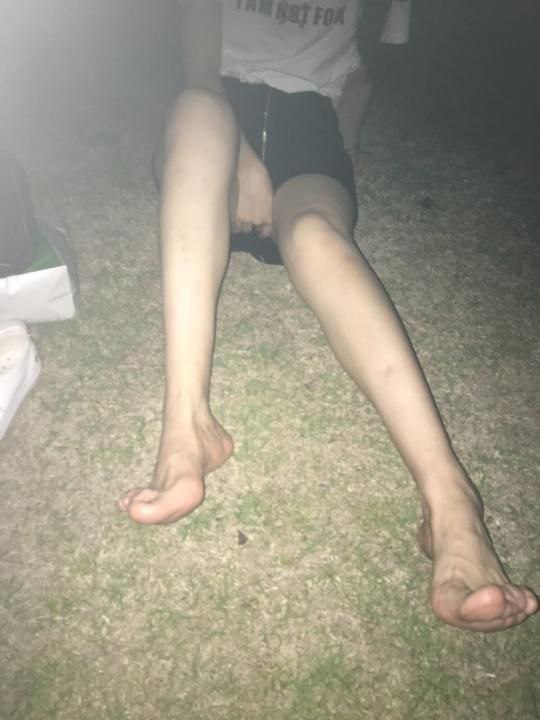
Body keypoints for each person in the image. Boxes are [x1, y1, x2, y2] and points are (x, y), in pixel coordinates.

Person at [119, 0, 538, 632]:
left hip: (309, 131)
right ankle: (187, 426)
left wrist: (340, 155)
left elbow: (359, 74)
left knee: (317, 237)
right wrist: (244, 157)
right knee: (199, 108)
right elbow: (198, 61)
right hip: (214, 131)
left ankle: (452, 503)